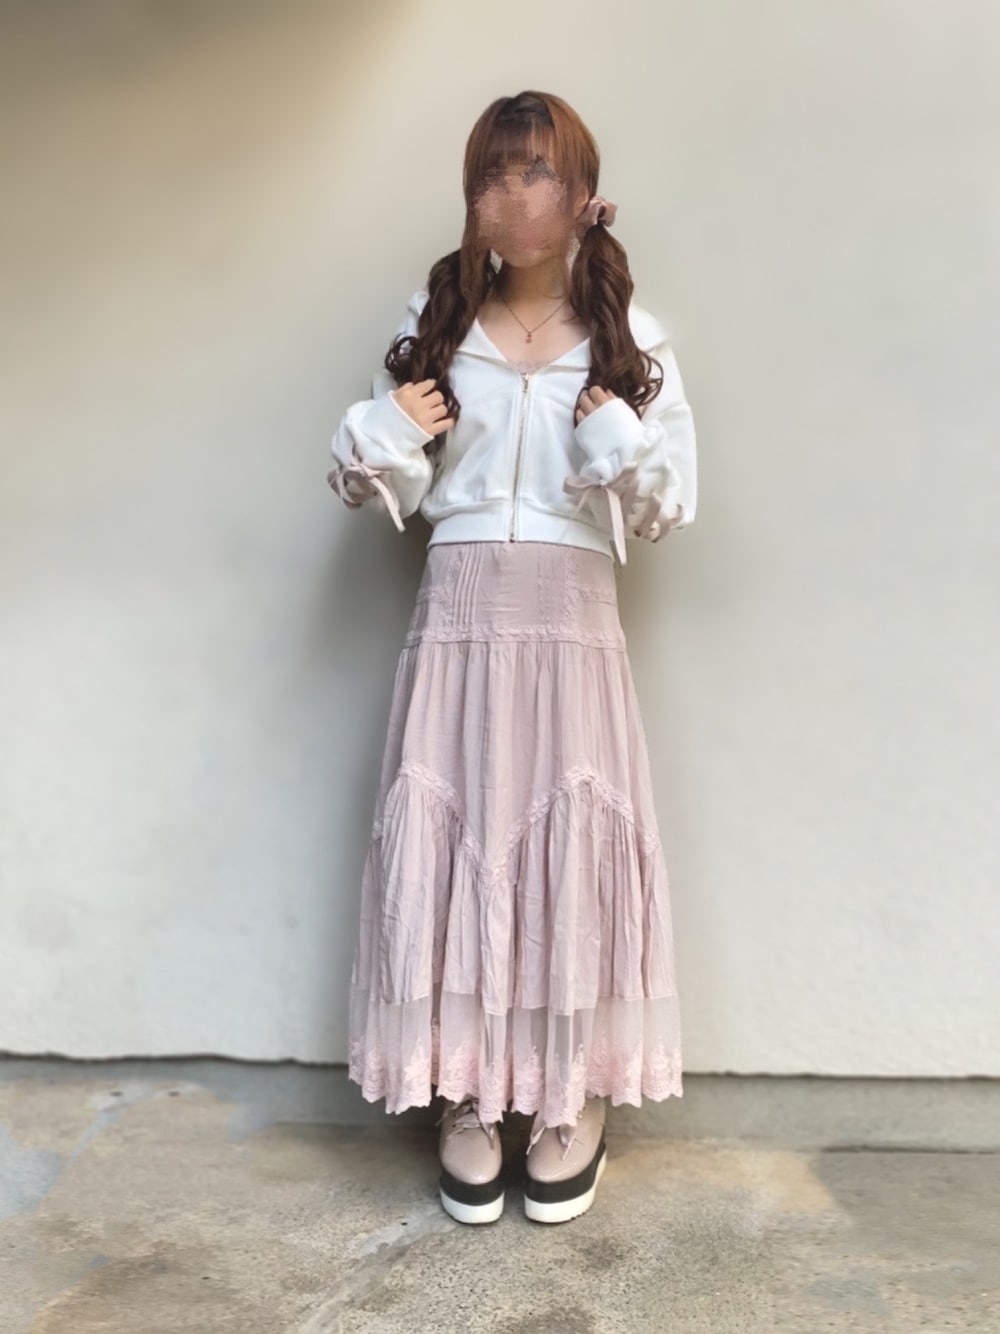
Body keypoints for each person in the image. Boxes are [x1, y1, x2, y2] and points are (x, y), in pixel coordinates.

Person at [327, 90, 697, 1227]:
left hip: (573, 623)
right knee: (460, 833)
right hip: (459, 617)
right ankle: (465, 1092)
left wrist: (614, 431)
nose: (513, 192)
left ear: (583, 196)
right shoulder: (437, 327)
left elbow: (669, 503)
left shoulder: (634, 341)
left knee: (567, 835)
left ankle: (569, 1092)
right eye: (494, 172)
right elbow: (372, 484)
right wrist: (389, 428)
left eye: (536, 171)